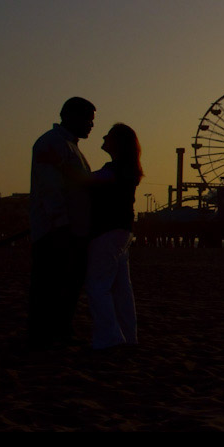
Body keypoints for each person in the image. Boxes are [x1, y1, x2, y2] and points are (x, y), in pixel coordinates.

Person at [28, 97, 95, 349]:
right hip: (56, 228)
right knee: (50, 283)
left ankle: (58, 330)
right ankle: (44, 335)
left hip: (72, 226)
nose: (91, 126)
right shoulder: (52, 143)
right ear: (71, 117)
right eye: (88, 120)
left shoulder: (70, 145)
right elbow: (50, 187)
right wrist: (60, 222)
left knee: (66, 283)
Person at [85, 123, 143, 350]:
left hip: (106, 231)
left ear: (118, 143)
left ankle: (109, 339)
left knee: (98, 285)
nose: (103, 137)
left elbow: (86, 181)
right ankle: (129, 337)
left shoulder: (116, 170)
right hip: (124, 232)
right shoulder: (128, 170)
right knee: (122, 289)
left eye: (108, 135)